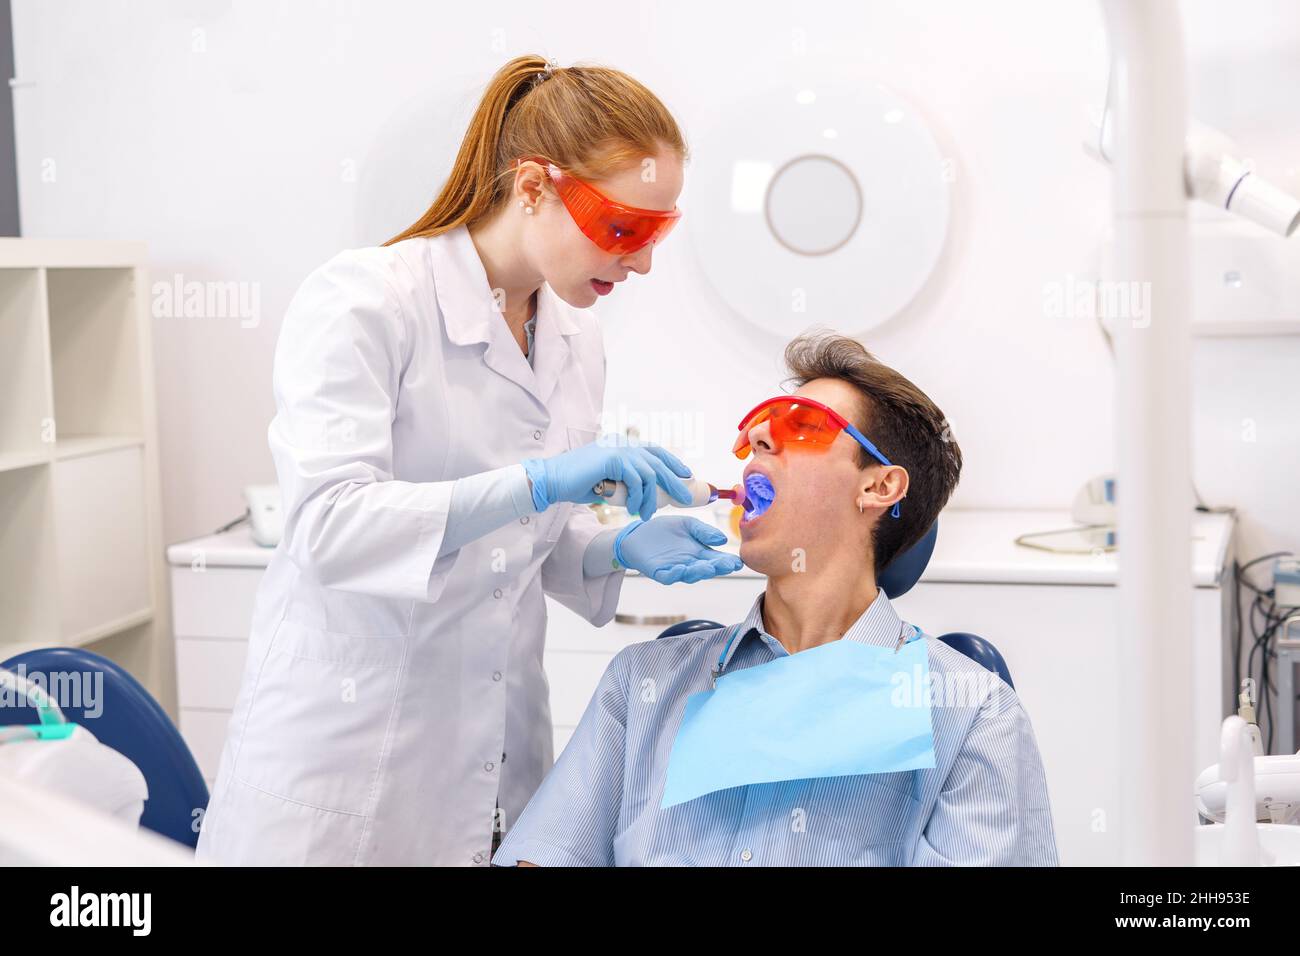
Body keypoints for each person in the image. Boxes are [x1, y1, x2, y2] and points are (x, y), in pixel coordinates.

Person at [197, 55, 741, 867]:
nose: (641, 262)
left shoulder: (575, 337)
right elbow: (330, 527)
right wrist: (537, 481)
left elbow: (519, 546)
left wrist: (610, 548)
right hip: (343, 763)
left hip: (494, 755)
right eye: (624, 228)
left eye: (657, 233)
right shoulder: (367, 301)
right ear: (533, 187)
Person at [494, 332, 1058, 866]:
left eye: (802, 427)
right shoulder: (643, 686)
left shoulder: (970, 714)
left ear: (879, 486)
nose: (759, 440)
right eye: (757, 432)